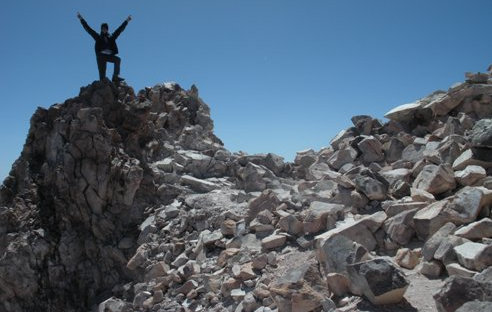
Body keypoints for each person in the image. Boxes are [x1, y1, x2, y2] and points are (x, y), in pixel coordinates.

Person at [77, 12, 132, 82]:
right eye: (102, 28)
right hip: (101, 57)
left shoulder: (111, 37)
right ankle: (102, 86)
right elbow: (88, 29)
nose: (104, 30)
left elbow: (119, 30)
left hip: (109, 56)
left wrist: (127, 21)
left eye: (105, 28)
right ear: (101, 29)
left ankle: (115, 77)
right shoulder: (98, 37)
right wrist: (81, 19)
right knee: (102, 77)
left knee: (118, 59)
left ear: (107, 29)